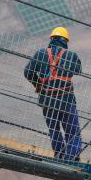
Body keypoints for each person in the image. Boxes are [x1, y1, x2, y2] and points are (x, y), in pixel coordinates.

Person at [24, 26, 83, 162]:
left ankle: (59, 155)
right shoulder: (71, 55)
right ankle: (72, 156)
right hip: (66, 100)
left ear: (51, 39)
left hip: (48, 101)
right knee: (72, 131)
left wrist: (38, 84)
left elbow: (27, 72)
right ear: (65, 41)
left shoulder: (40, 54)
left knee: (54, 129)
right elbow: (78, 70)